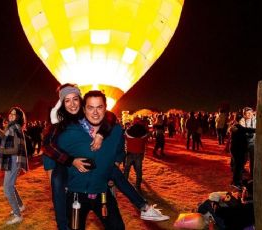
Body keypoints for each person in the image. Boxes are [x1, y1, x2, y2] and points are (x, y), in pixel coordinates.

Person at [43, 85, 168, 230]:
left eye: (75, 99)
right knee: (57, 181)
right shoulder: (60, 124)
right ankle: (62, 226)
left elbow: (110, 117)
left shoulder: (107, 126)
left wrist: (101, 136)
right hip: (70, 180)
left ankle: (143, 206)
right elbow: (48, 148)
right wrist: (70, 161)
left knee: (113, 172)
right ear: (62, 103)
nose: (72, 104)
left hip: (101, 189)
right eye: (67, 101)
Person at [0, 107, 29, 225]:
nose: (11, 115)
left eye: (14, 114)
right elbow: (5, 138)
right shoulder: (11, 127)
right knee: (11, 186)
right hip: (12, 160)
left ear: (18, 117)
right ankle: (20, 205)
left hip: (14, 160)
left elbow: (15, 149)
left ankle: (18, 215)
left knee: (7, 188)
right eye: (10, 113)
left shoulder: (15, 128)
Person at [229, 113, 255, 189]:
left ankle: (237, 181)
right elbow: (247, 130)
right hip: (237, 149)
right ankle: (235, 182)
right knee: (238, 166)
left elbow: (244, 133)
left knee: (238, 166)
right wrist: (258, 129)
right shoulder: (237, 127)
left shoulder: (237, 127)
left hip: (237, 149)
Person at [124, 118, 148, 191]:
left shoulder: (128, 131)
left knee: (127, 170)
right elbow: (146, 141)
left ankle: (124, 184)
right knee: (138, 171)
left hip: (130, 153)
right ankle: (137, 186)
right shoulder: (144, 132)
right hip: (139, 154)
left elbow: (125, 138)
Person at [239, 107, 256, 178]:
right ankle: (240, 169)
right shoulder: (242, 121)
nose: (249, 114)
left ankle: (252, 173)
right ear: (244, 114)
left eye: (251, 113)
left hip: (253, 142)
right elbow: (242, 130)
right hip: (244, 142)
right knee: (244, 158)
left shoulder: (255, 120)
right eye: (247, 113)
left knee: (253, 159)